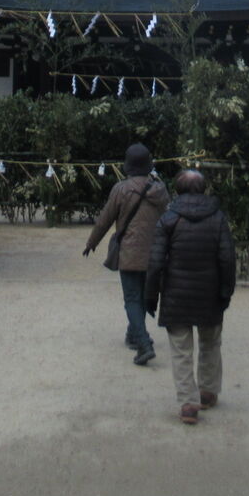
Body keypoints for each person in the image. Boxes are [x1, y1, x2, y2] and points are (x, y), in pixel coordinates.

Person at [144, 169, 236, 425]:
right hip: (209, 292)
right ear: (204, 189)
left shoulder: (168, 219)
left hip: (176, 294)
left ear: (177, 189)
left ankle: (188, 404)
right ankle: (207, 391)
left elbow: (155, 261)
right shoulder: (218, 218)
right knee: (211, 343)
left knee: (181, 350)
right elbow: (227, 258)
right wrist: (226, 290)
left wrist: (151, 295)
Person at [82, 143, 169, 366]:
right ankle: (134, 333)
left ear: (127, 165)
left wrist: (92, 242)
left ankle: (143, 343)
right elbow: (168, 220)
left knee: (131, 298)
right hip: (154, 253)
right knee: (142, 296)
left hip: (129, 252)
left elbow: (105, 219)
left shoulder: (121, 189)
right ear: (148, 164)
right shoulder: (160, 190)